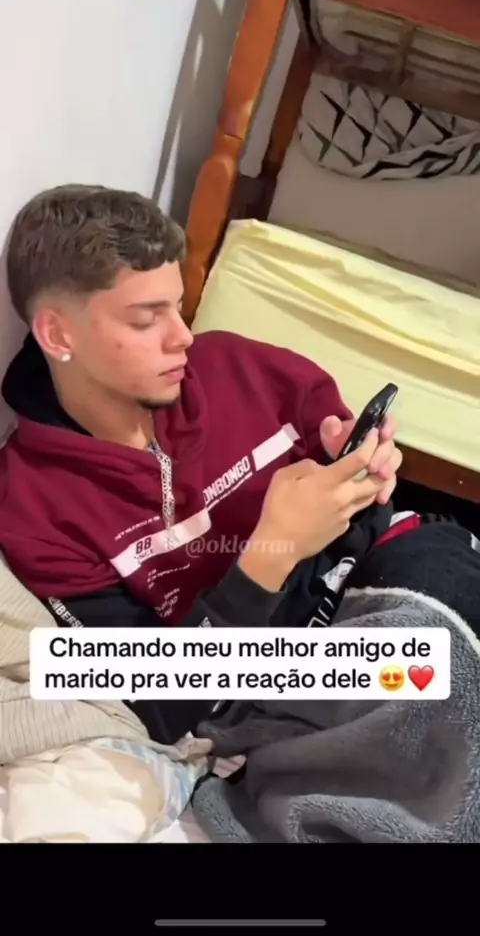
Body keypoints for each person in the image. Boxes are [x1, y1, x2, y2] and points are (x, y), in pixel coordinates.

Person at [0, 184, 402, 741]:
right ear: (58, 333)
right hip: (262, 686)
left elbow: (371, 506)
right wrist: (273, 551)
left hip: (382, 577)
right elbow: (155, 705)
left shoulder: (245, 369)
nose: (184, 337)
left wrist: (362, 470)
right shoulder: (34, 512)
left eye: (179, 306)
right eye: (147, 320)